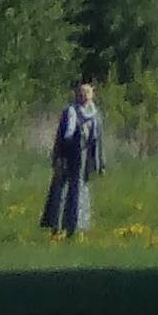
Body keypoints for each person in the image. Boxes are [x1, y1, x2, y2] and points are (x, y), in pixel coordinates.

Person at [41, 83, 104, 238]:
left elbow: (98, 140)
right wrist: (58, 158)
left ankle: (74, 229)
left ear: (92, 94)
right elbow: (61, 137)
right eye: (81, 93)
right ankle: (56, 228)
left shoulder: (95, 114)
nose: (84, 96)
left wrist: (100, 163)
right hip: (68, 155)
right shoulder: (70, 111)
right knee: (60, 191)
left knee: (79, 192)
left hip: (84, 158)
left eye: (87, 92)